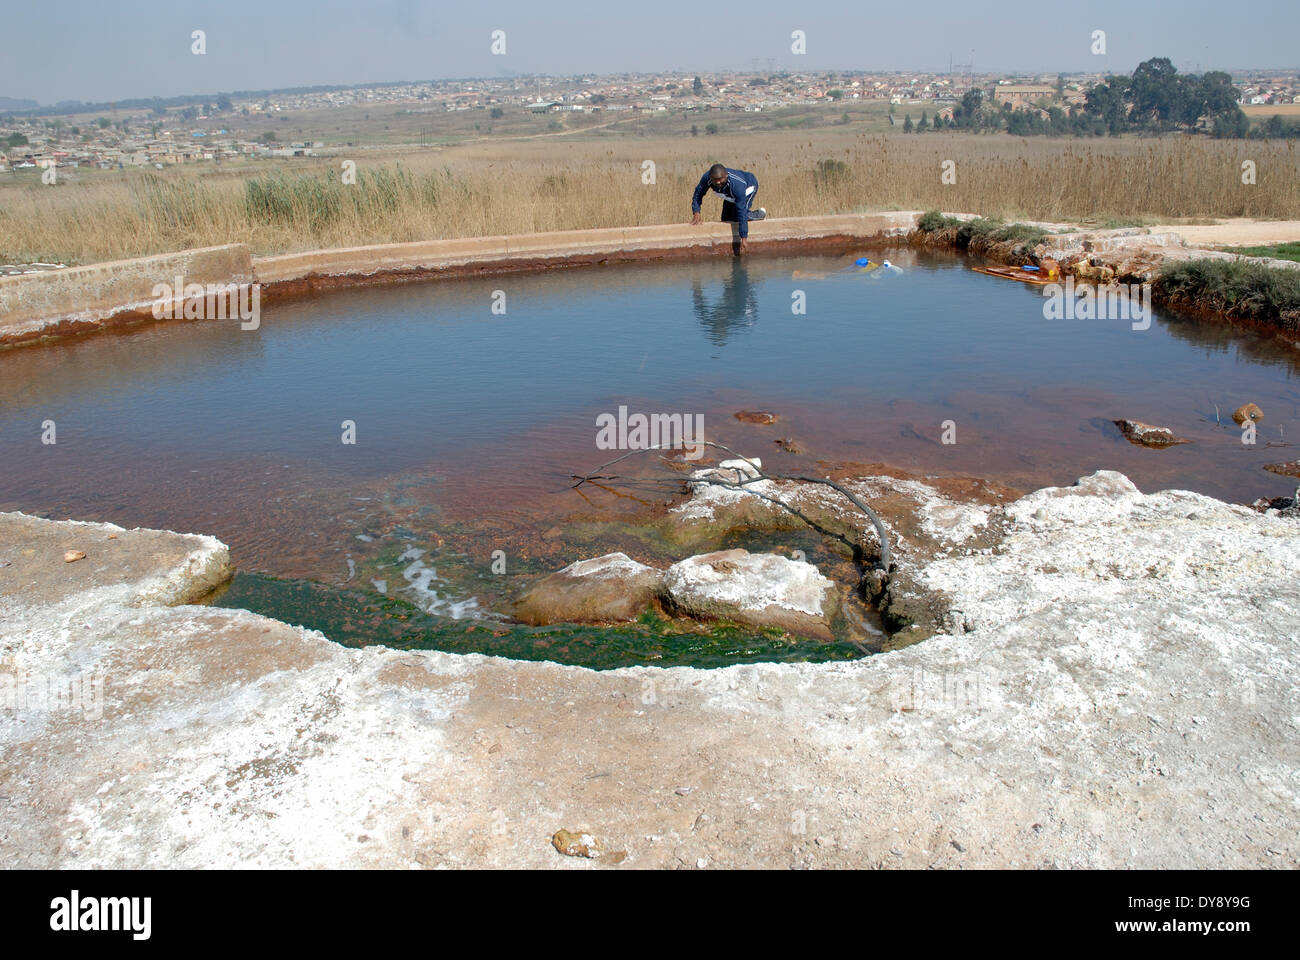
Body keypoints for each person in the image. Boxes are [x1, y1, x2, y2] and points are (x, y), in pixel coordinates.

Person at [691, 163, 766, 253]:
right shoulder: (707, 178)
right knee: (725, 219)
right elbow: (698, 194)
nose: (718, 182)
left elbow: (741, 211)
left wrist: (744, 239)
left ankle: (758, 214)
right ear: (711, 177)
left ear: (726, 175)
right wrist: (696, 212)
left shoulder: (737, 186)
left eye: (720, 179)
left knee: (737, 216)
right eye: (715, 180)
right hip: (728, 193)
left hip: (748, 188)